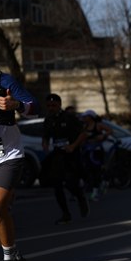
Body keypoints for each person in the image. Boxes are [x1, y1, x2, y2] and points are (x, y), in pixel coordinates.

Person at [0, 69, 37, 261]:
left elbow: (34, 107)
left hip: (8, 156)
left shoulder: (2, 80)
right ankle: (16, 257)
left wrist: (16, 105)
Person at [42, 93, 89, 224]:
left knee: (70, 183)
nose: (51, 108)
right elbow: (45, 136)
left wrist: (73, 146)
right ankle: (65, 214)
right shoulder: (48, 120)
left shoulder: (69, 118)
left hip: (71, 155)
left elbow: (83, 134)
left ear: (59, 105)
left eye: (53, 105)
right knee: (57, 185)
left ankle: (80, 197)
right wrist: (45, 144)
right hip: (58, 155)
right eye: (48, 106)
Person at [80, 110, 112, 201]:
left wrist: (103, 136)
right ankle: (101, 183)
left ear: (91, 117)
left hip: (97, 151)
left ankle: (96, 191)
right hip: (87, 150)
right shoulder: (85, 126)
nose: (84, 118)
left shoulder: (98, 125)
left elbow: (110, 130)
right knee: (88, 170)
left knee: (96, 170)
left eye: (86, 116)